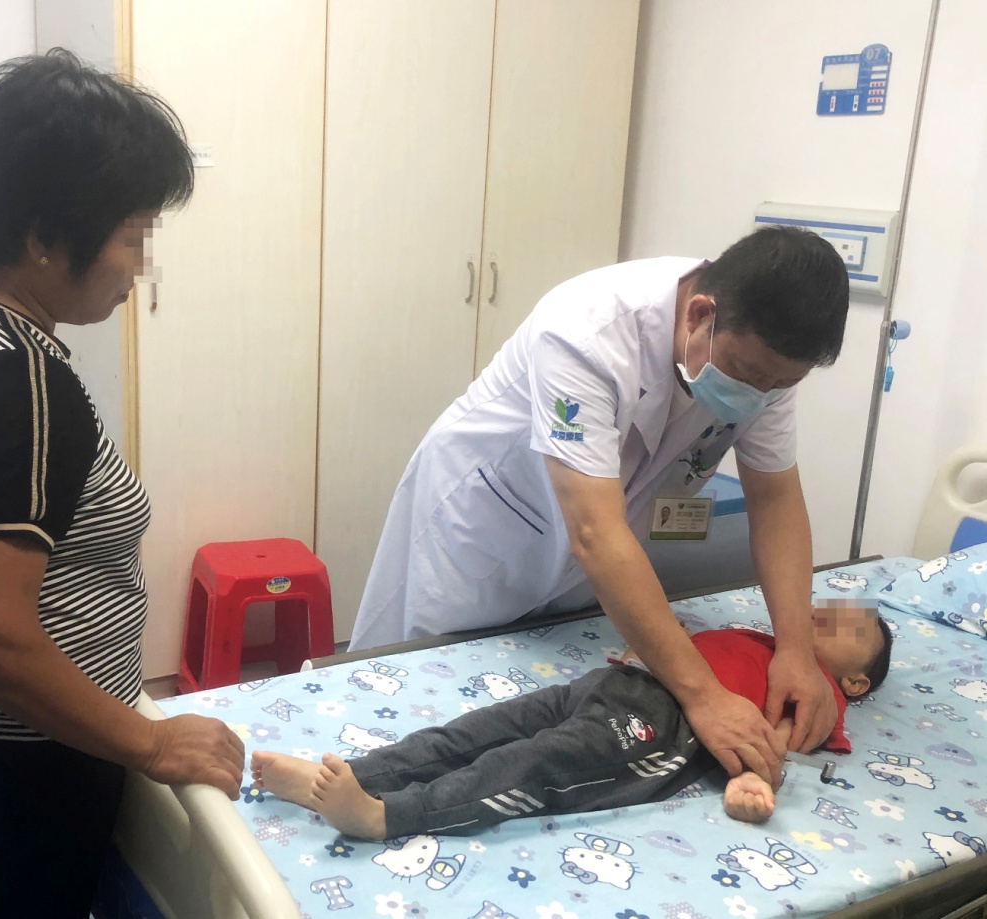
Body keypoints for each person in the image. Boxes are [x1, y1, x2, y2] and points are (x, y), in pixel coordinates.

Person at [0, 50, 244, 919]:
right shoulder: (16, 383)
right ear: (43, 237)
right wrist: (149, 742)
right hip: (20, 764)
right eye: (130, 236)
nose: (138, 265)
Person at [349, 227, 851, 788]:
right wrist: (705, 696)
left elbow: (776, 498)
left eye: (780, 385)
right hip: (480, 534)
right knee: (413, 710)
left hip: (592, 554)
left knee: (536, 727)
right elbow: (595, 533)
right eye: (751, 375)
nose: (761, 394)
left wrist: (796, 651)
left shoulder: (765, 363)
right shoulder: (586, 331)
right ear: (700, 315)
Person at [253, 603, 892, 838]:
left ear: (855, 682)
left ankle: (384, 816)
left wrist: (751, 779)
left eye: (850, 626)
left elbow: (775, 742)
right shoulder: (770, 641)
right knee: (475, 731)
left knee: (530, 763)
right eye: (830, 607)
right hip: (615, 684)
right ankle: (357, 774)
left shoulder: (820, 693)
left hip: (666, 728)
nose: (830, 613)